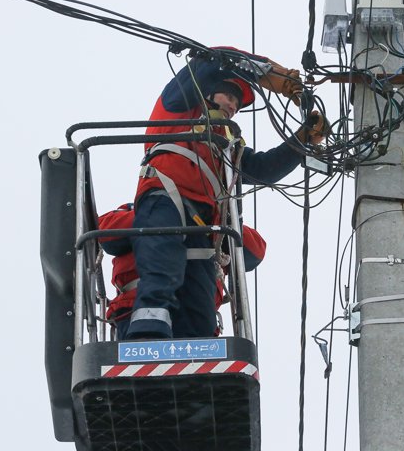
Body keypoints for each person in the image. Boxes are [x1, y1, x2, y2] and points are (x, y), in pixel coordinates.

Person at [123, 47, 325, 340]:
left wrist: (303, 139)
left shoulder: (228, 145)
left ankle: (199, 360)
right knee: (161, 266)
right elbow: (213, 58)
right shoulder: (177, 106)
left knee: (200, 301)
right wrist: (277, 77)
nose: (232, 105)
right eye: (227, 96)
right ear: (206, 93)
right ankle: (146, 335)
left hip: (206, 223)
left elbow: (264, 169)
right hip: (165, 198)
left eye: (237, 103)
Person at [97, 203, 266, 337]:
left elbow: (254, 252)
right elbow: (105, 233)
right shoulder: (139, 208)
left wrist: (218, 217)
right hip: (139, 307)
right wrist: (164, 210)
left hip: (198, 311)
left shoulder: (214, 215)